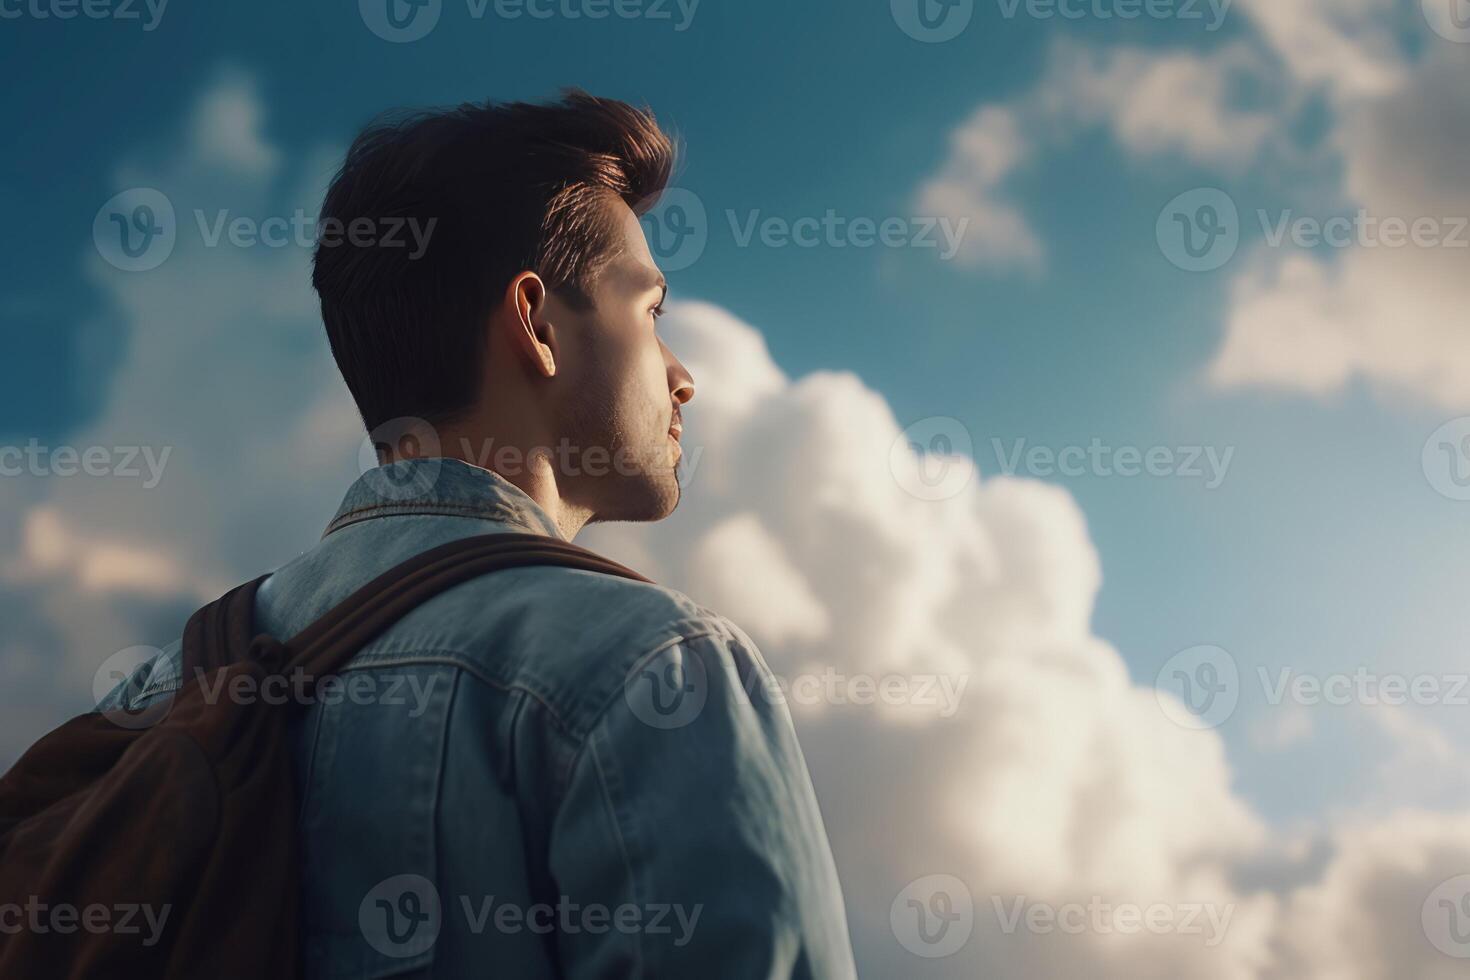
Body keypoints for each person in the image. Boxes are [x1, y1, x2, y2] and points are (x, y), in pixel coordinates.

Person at [101, 90, 856, 978]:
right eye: (650, 313)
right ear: (536, 322)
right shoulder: (653, 668)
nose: (682, 376)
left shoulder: (158, 695)